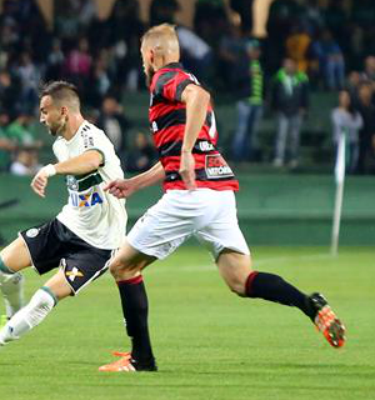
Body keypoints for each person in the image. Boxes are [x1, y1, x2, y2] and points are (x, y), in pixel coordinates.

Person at [98, 24, 345, 373]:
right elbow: (186, 144)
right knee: (241, 280)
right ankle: (311, 305)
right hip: (219, 193)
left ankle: (142, 359)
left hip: (190, 195)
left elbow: (196, 101)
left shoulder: (163, 79)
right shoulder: (185, 77)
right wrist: (137, 182)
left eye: (143, 56)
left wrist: (184, 153)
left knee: (122, 265)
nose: (143, 64)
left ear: (152, 55)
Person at [0, 81, 127, 365]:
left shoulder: (93, 137)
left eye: (44, 111)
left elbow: (91, 160)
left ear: (63, 111)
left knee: (44, 299)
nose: (40, 118)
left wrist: (50, 169)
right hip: (67, 224)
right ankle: (12, 314)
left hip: (99, 245)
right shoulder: (61, 144)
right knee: (0, 267)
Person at [271, 58, 309, 169]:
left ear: (295, 66)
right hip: (282, 111)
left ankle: (293, 158)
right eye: (286, 65)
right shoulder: (278, 78)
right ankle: (279, 158)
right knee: (281, 136)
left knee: (294, 136)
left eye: (291, 65)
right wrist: (274, 108)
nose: (289, 67)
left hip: (296, 111)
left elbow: (305, 95)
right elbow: (273, 95)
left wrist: (304, 107)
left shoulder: (302, 78)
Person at [331, 90, 363, 173]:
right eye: (343, 97)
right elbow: (340, 124)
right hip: (340, 142)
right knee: (341, 162)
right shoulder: (336, 112)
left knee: (353, 162)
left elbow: (359, 124)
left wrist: (348, 124)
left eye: (347, 97)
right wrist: (351, 123)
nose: (345, 100)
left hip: (353, 141)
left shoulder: (355, 113)